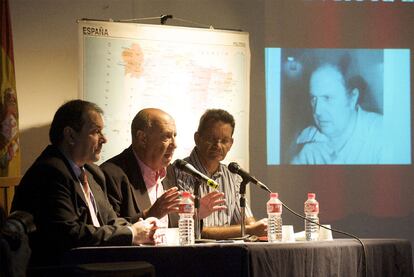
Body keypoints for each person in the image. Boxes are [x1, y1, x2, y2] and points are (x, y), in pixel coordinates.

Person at [11, 100, 158, 266]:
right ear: (71, 135)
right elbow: (69, 234)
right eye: (96, 131)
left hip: (94, 262)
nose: (104, 139)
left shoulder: (92, 172)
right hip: (63, 268)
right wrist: (130, 232)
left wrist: (142, 227)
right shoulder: (49, 173)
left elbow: (110, 219)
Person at [100, 108, 225, 228]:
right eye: (167, 136)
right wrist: (149, 215)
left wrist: (193, 213)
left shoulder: (169, 171)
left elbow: (173, 224)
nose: (174, 145)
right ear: (143, 138)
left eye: (174, 136)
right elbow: (110, 230)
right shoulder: (110, 174)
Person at [168, 109, 267, 240]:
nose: (218, 145)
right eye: (212, 139)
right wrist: (248, 229)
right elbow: (193, 228)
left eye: (224, 141)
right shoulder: (178, 172)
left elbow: (246, 221)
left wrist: (260, 227)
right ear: (197, 138)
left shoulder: (233, 176)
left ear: (231, 144)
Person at [291, 63, 384, 164]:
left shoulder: (383, 135)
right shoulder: (306, 137)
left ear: (352, 98)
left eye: (327, 98)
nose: (317, 111)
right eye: (313, 98)